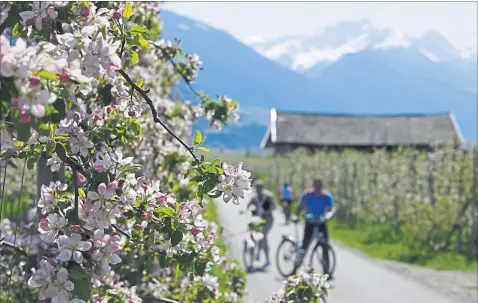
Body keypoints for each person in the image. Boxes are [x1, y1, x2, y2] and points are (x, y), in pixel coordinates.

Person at [292, 177, 336, 277]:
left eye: (320, 186)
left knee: (325, 245)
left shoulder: (326, 196)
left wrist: (329, 215)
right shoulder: (307, 195)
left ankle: (326, 270)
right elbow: (300, 207)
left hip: (321, 222)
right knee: (305, 245)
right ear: (314, 185)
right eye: (317, 185)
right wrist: (296, 216)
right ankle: (296, 266)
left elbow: (332, 208)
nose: (318, 188)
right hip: (310, 222)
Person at [242, 180, 276, 268]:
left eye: (259, 188)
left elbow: (273, 206)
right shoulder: (254, 198)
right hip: (258, 219)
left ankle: (267, 258)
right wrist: (244, 211)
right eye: (257, 188)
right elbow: (248, 205)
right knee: (254, 234)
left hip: (268, 219)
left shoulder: (268, 196)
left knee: (263, 235)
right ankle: (255, 253)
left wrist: (267, 211)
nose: (258, 190)